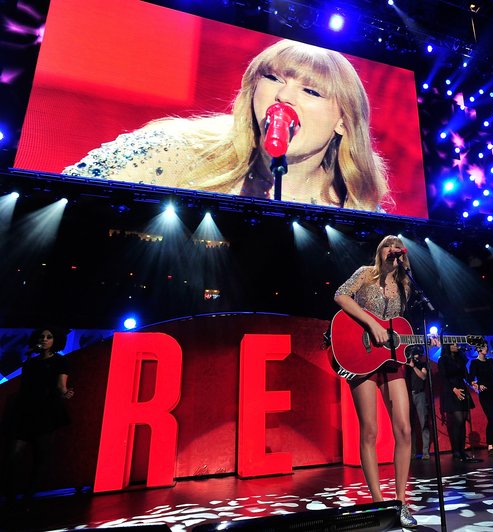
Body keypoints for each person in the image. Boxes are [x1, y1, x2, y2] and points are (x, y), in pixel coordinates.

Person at [63, 39, 391, 212]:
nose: (283, 96)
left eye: (310, 91)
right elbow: (59, 197)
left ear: (344, 123)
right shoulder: (175, 148)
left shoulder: (357, 210)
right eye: (273, 78)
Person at [333, 235, 418, 528]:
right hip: (361, 356)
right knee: (370, 429)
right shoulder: (364, 274)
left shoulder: (405, 286)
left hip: (392, 360)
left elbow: (397, 329)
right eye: (388, 245)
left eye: (397, 246)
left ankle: (401, 501)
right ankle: (379, 502)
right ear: (380, 251)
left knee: (404, 429)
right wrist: (370, 323)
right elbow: (341, 295)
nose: (393, 249)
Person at [2, 327, 74, 509]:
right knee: (12, 456)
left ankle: (27, 498)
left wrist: (65, 393)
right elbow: (24, 388)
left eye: (49, 337)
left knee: (39, 457)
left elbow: (60, 385)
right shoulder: (30, 362)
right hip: (27, 412)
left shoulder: (60, 360)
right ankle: (12, 497)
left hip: (46, 411)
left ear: (55, 340)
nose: (44, 339)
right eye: (42, 336)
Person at [437, 343, 475, 462]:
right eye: (452, 344)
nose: (455, 346)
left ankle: (462, 450)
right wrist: (454, 389)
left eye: (456, 344)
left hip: (461, 387)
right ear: (447, 346)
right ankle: (456, 451)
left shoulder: (460, 359)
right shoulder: (442, 360)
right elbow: (443, 377)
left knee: (463, 420)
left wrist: (473, 382)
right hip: (451, 390)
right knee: (458, 420)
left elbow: (465, 374)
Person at [406, 346, 431, 461]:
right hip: (408, 395)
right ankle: (412, 453)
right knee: (410, 426)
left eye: (418, 355)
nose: (416, 356)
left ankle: (425, 452)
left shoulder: (422, 365)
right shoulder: (406, 366)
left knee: (423, 423)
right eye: (414, 354)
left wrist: (414, 366)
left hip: (420, 395)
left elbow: (423, 376)